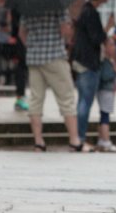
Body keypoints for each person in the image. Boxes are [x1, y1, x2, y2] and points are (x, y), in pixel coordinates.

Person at [20, 8, 93, 152]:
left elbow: (22, 33)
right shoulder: (58, 6)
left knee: (35, 100)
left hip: (34, 59)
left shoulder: (27, 7)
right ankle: (74, 141)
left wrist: (32, 47)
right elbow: (65, 31)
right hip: (55, 57)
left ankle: (39, 142)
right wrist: (70, 28)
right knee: (66, 98)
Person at [70, 0, 110, 148]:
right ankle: (79, 138)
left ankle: (79, 137)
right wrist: (108, 27)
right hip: (88, 63)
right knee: (85, 102)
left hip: (81, 61)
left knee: (82, 101)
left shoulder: (85, 11)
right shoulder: (91, 13)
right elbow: (97, 38)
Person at [11, 0, 35, 111]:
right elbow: (17, 10)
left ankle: (22, 96)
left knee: (24, 65)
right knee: (23, 65)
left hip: (22, 30)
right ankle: (20, 97)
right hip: (23, 30)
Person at [95, 36, 116, 153]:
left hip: (109, 91)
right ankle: (106, 141)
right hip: (105, 91)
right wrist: (115, 72)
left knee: (104, 114)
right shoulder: (104, 62)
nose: (114, 47)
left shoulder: (111, 60)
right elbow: (105, 76)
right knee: (105, 115)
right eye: (111, 44)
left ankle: (101, 139)